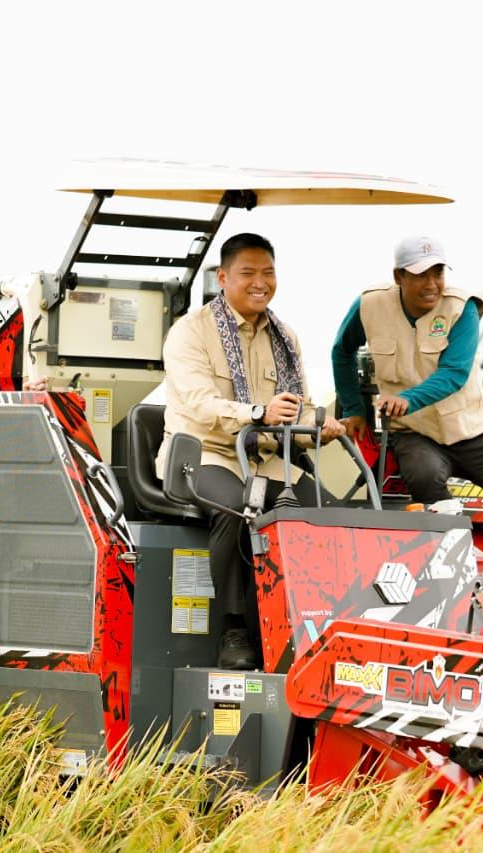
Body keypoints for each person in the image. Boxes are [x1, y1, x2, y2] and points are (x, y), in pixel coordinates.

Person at [332, 235, 483, 574]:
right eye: (420, 274)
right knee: (424, 475)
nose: (431, 283)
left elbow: (454, 373)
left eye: (438, 273)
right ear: (398, 276)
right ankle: (452, 572)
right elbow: (341, 351)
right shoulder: (369, 305)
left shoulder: (463, 309)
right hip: (414, 433)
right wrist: (353, 410)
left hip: (473, 431)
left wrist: (408, 399)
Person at [156, 233, 343, 670]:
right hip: (204, 454)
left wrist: (320, 425)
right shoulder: (189, 333)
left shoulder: (285, 336)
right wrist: (258, 413)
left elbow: (296, 410)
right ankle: (234, 629)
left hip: (263, 459)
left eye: (268, 273)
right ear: (223, 278)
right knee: (239, 508)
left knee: (331, 514)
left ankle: (317, 627)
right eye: (248, 273)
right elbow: (200, 405)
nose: (260, 283)